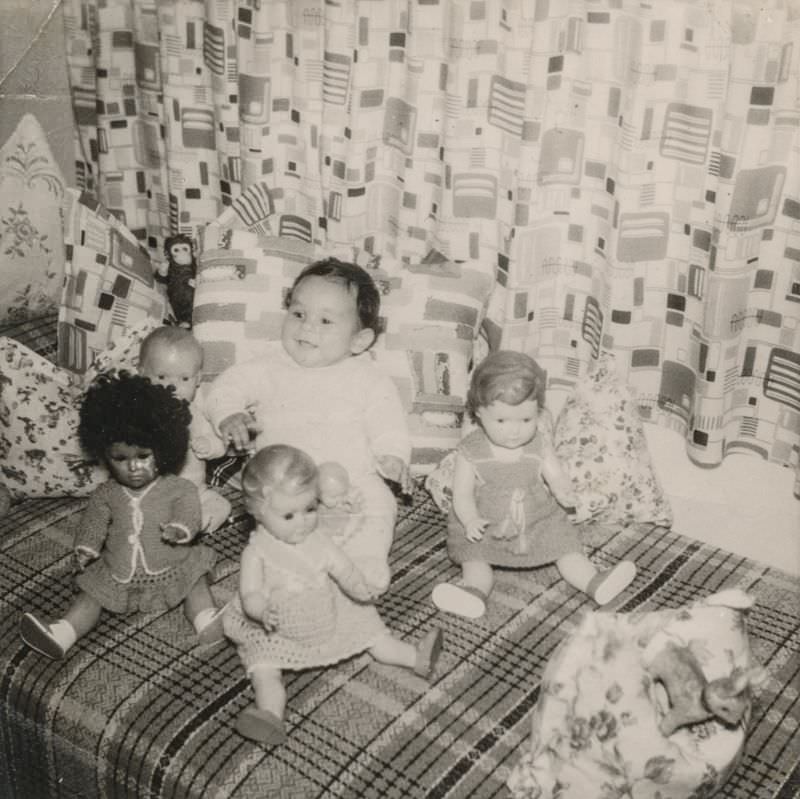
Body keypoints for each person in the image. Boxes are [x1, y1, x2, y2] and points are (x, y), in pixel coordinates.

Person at [205, 257, 412, 593]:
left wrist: (392, 456)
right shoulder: (270, 365)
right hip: (286, 486)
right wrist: (228, 413)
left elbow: (389, 425)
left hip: (353, 483)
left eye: (326, 320)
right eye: (298, 314)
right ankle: (289, 572)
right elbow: (226, 387)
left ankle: (365, 562)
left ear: (359, 341)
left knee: (379, 504)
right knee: (270, 513)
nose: (307, 328)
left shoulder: (369, 378)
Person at [225, 444, 443, 744]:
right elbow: (250, 593)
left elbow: (344, 569)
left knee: (372, 634)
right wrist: (261, 611)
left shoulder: (319, 540)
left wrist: (360, 588)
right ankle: (270, 715)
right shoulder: (257, 553)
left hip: (327, 611)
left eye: (310, 509)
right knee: (264, 669)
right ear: (257, 512)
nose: (303, 521)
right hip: (275, 628)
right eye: (289, 516)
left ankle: (413, 657)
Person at [19, 371, 225, 660]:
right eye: (120, 459)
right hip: (119, 573)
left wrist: (181, 529)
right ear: (104, 456)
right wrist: (86, 547)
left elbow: (189, 510)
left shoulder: (178, 487)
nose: (133, 467)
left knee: (196, 581)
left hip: (172, 565)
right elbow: (94, 523)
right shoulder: (106, 494)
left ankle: (207, 620)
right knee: (90, 596)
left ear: (164, 449)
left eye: (143, 456)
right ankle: (63, 633)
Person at [431, 350, 637, 619]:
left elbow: (555, 475)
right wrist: (470, 520)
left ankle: (593, 581)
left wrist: (564, 491)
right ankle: (473, 592)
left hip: (537, 519)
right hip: (487, 523)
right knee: (475, 559)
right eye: (502, 421)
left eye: (525, 420)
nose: (514, 430)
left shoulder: (539, 443)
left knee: (566, 547)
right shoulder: (470, 450)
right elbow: (462, 494)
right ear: (479, 412)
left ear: (537, 412)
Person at [138, 326, 232, 533]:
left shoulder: (195, 414)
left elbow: (219, 443)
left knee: (221, 505)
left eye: (184, 379)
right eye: (162, 377)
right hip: (150, 491)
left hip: (194, 491)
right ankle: (165, 524)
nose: (173, 387)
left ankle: (192, 525)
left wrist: (209, 445)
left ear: (198, 380)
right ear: (142, 374)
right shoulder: (141, 413)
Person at [156, 233, 197, 328]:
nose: (182, 253)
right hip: (176, 295)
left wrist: (198, 282)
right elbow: (161, 281)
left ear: (191, 250)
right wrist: (162, 273)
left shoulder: (195, 263)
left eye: (185, 249)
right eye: (176, 250)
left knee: (192, 300)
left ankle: (189, 322)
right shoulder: (170, 266)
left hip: (192, 293)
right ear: (168, 254)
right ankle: (185, 322)